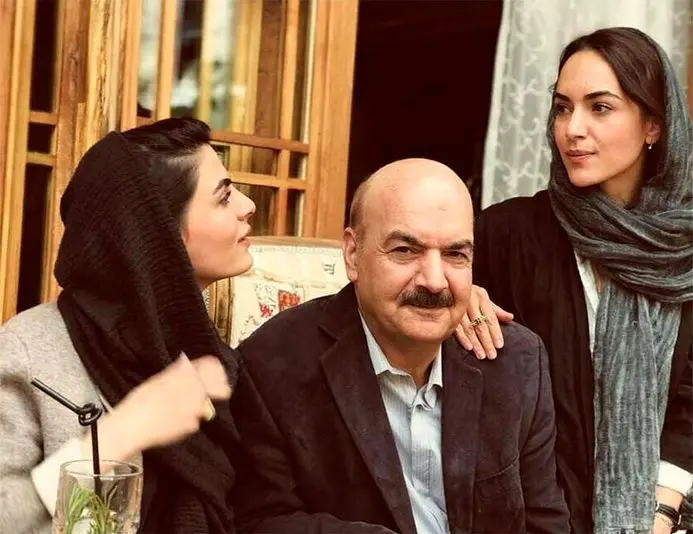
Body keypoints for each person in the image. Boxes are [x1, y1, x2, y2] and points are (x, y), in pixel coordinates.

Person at [230, 158, 570, 533]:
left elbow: (545, 522)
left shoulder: (514, 362)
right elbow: (258, 521)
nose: (435, 281)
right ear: (352, 254)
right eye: (405, 250)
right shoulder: (274, 364)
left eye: (455, 254)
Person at [467, 27, 692, 534]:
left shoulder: (683, 249)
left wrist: (659, 514)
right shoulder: (505, 235)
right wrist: (457, 297)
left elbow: (689, 401)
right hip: (529, 517)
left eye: (600, 107)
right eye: (562, 108)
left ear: (653, 125)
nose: (573, 129)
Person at [0, 117, 256, 533]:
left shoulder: (214, 350)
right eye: (224, 197)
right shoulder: (29, 351)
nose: (248, 205)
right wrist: (122, 432)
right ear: (158, 234)